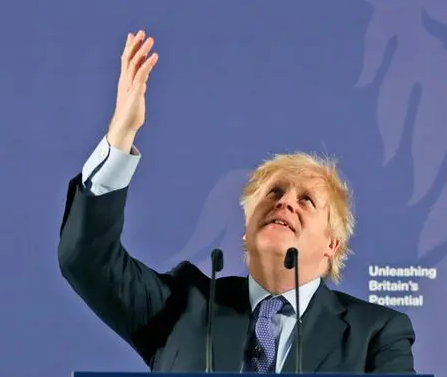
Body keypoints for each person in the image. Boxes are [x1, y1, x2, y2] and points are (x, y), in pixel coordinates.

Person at [58, 30, 417, 373]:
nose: (285, 203)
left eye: (306, 200)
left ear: (331, 246)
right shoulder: (181, 306)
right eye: (274, 192)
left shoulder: (376, 334)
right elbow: (86, 259)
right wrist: (121, 134)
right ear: (246, 228)